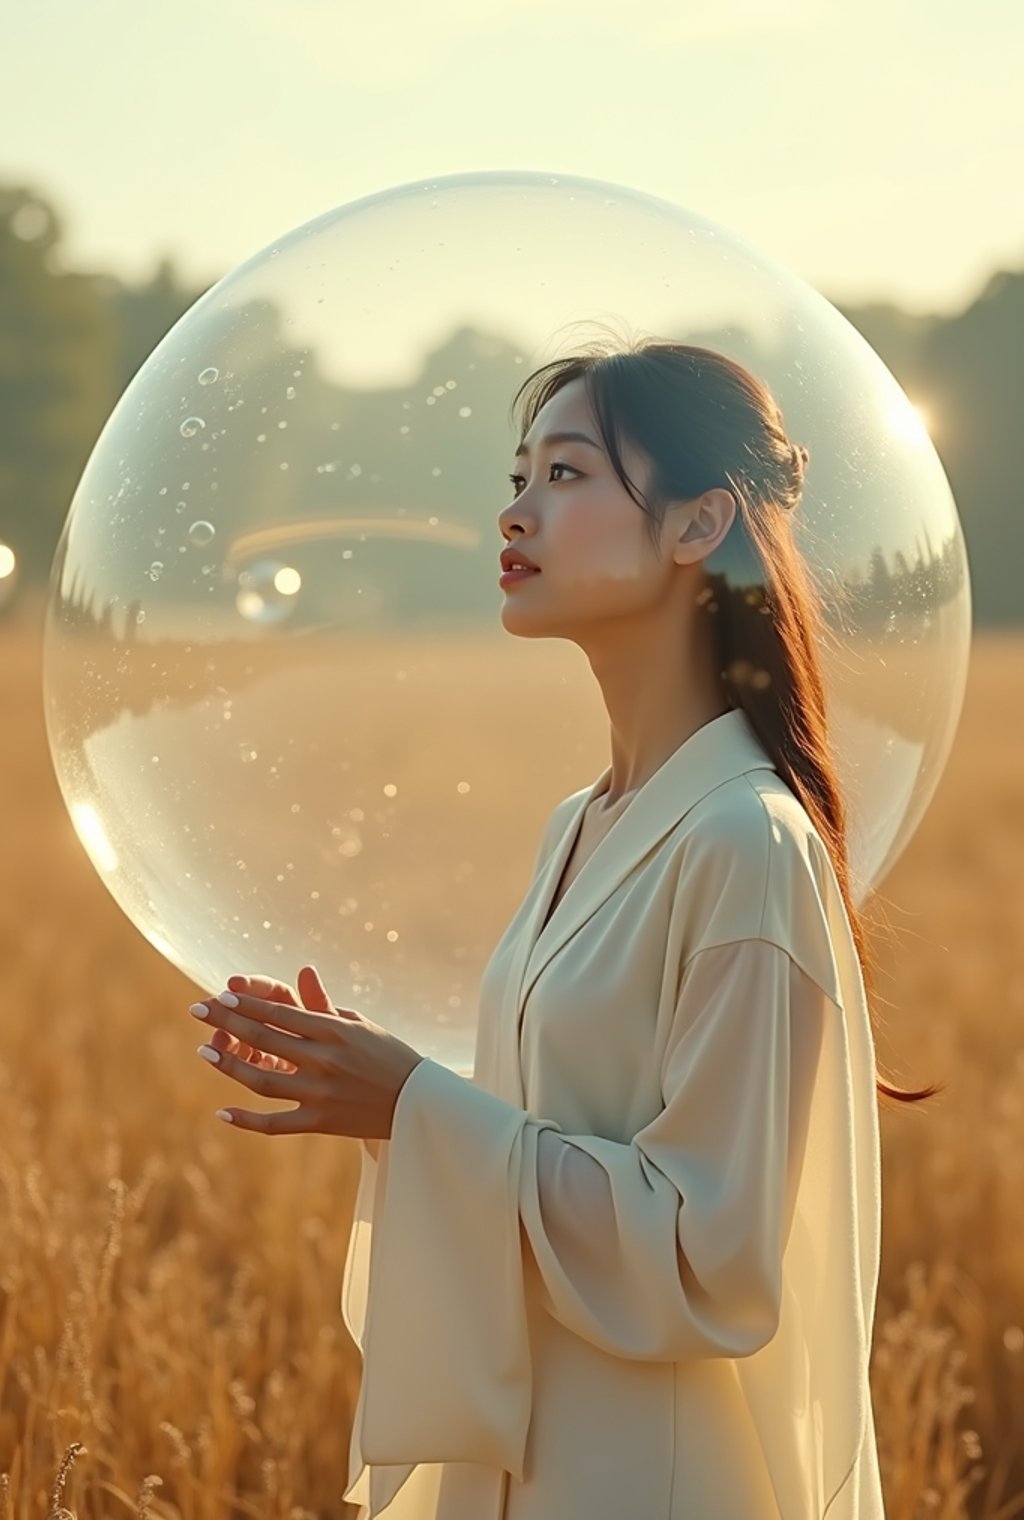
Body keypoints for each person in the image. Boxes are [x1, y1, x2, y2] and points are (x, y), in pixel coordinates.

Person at [209, 338, 940, 1519]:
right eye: (517, 477)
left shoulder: (746, 846)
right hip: (530, 1468)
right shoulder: (580, 825)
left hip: (648, 1480)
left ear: (699, 526)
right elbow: (554, 1137)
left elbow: (710, 1257)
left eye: (566, 475)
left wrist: (415, 1103)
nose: (513, 512)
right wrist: (381, 1094)